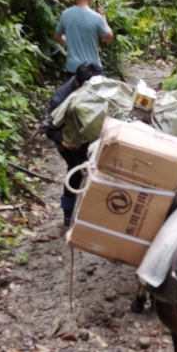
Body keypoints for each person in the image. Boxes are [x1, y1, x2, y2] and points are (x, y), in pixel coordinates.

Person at [44, 61, 103, 227]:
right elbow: (48, 127)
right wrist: (62, 140)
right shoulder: (61, 99)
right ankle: (68, 215)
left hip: (88, 133)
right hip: (69, 142)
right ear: (79, 85)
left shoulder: (97, 84)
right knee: (76, 172)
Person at [54, 0, 113, 76]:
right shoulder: (97, 17)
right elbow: (109, 38)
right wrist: (103, 17)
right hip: (93, 70)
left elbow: (57, 36)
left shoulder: (66, 14)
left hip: (73, 69)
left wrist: (69, 44)